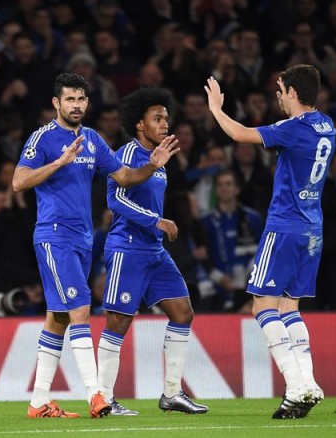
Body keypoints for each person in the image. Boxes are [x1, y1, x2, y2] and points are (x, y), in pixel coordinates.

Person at [13, 72, 179, 419]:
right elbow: (18, 181)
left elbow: (125, 178)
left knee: (57, 318)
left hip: (83, 239)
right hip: (53, 235)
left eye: (81, 99)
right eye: (70, 99)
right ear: (57, 103)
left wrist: (151, 165)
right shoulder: (43, 138)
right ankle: (96, 395)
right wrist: (58, 163)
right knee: (81, 310)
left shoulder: (92, 140)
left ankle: (39, 401)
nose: (76, 105)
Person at [205, 64, 334, 419]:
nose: (277, 94)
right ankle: (306, 385)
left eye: (280, 88)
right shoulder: (328, 125)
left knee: (262, 306)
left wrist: (216, 109)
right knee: (289, 308)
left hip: (285, 226)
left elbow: (240, 135)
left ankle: (296, 384)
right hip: (313, 229)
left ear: (293, 92)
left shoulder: (293, 129)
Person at [95, 87, 209, 416]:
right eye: (157, 118)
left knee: (183, 313)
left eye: (166, 118)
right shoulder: (126, 155)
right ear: (140, 124)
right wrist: (156, 220)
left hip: (154, 252)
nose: (164, 123)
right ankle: (103, 397)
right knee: (118, 321)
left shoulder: (160, 159)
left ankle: (171, 394)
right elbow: (115, 199)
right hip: (127, 248)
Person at [201, 170, 262, 311]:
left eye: (228, 184)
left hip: (249, 290)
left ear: (237, 189)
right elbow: (202, 257)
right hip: (218, 290)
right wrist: (220, 278)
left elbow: (263, 251)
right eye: (220, 185)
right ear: (216, 190)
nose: (224, 188)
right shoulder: (206, 222)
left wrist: (248, 277)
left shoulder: (252, 218)